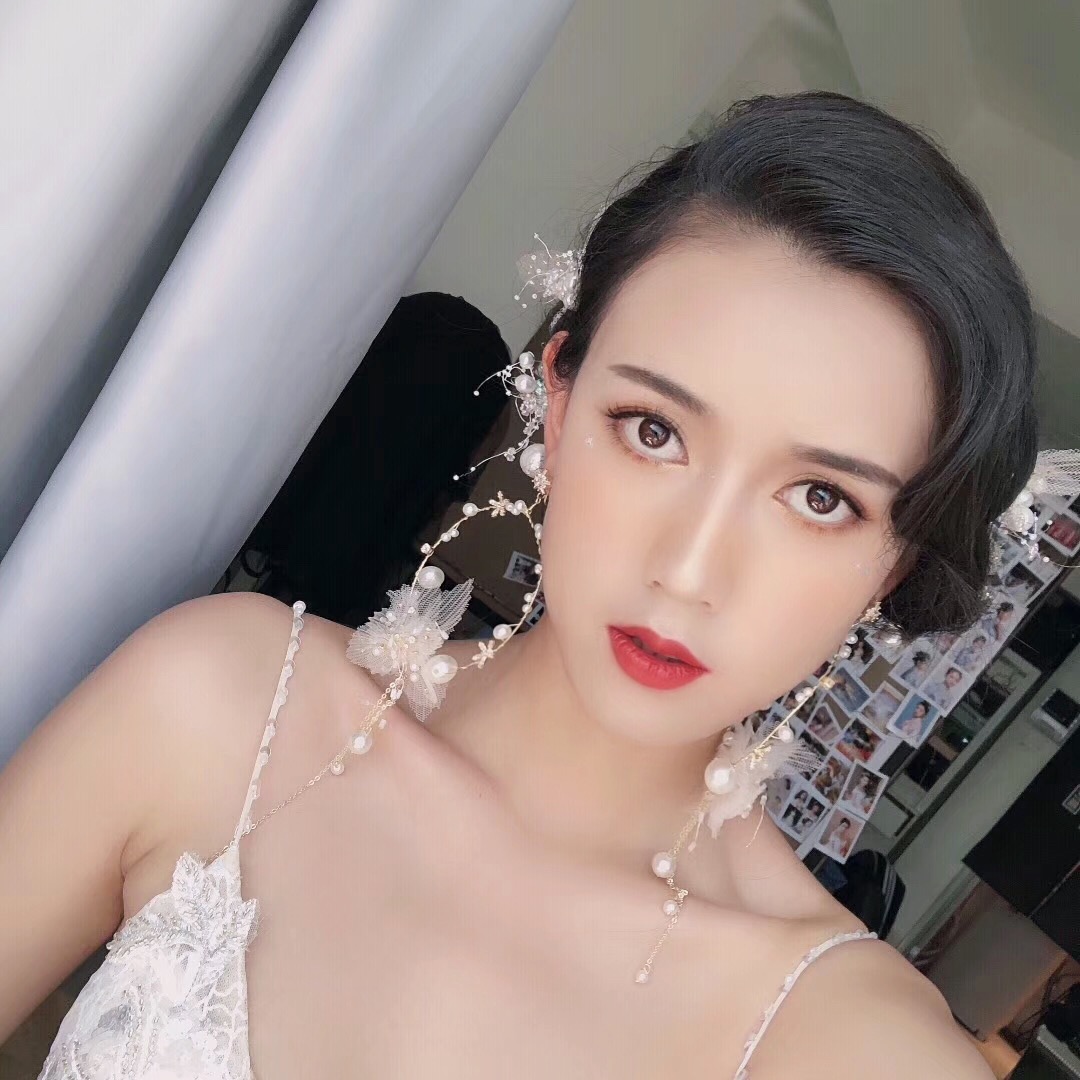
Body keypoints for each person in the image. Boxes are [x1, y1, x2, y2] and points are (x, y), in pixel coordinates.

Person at [1, 92, 1031, 1078]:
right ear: (561, 398)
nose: (688, 570)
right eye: (654, 431)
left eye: (818, 498)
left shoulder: (859, 1048)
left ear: (893, 562)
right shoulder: (220, 705)